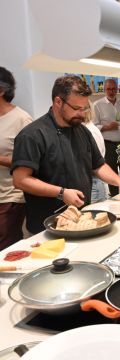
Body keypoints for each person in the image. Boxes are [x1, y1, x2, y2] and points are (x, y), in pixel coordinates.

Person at [11, 75, 120, 235]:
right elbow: (20, 180)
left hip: (83, 221)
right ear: (58, 102)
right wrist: (61, 192)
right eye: (77, 109)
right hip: (47, 227)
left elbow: (98, 165)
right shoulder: (33, 135)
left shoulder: (81, 131)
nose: (82, 114)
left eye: (85, 109)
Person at [0, 67, 32, 250]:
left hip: (10, 198)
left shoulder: (21, 120)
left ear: (2, 90)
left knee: (7, 250)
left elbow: (31, 161)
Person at [93, 78, 120, 197]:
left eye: (114, 89)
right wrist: (107, 127)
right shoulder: (97, 105)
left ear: (117, 90)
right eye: (108, 89)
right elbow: (94, 126)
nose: (111, 91)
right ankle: (115, 197)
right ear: (104, 90)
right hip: (108, 144)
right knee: (112, 173)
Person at [83, 103, 109, 203]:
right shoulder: (83, 130)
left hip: (94, 184)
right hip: (90, 183)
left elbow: (96, 162)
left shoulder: (91, 131)